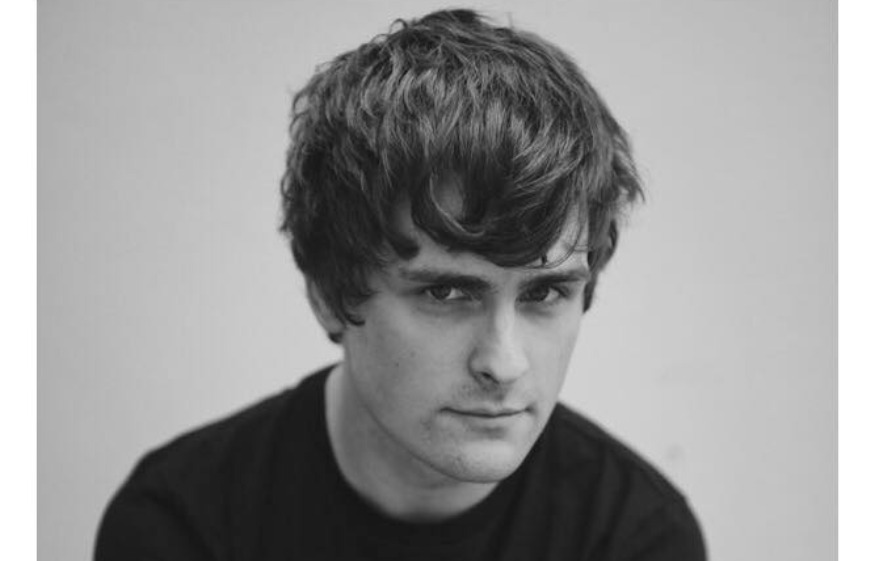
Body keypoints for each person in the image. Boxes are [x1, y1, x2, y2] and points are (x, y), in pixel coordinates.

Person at [95, 9, 707, 560]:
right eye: (447, 293)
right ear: (329, 294)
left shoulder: (636, 538)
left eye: (544, 293)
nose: (504, 363)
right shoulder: (182, 526)